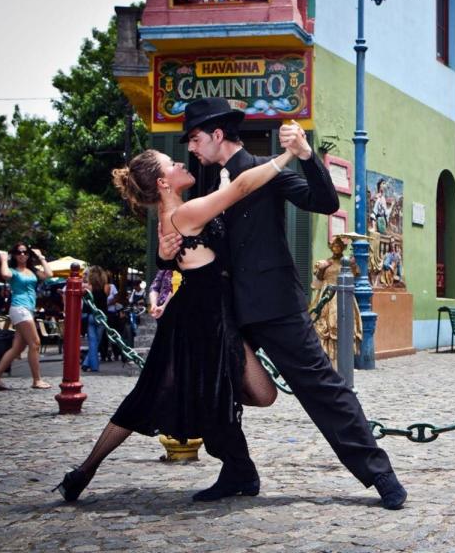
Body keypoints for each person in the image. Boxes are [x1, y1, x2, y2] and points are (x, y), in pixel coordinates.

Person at [158, 97, 407, 508]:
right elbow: (190, 243)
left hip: (274, 303)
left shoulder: (266, 170)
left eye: (196, 139)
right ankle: (238, 471)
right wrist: (165, 254)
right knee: (214, 388)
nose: (192, 148)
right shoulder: (205, 184)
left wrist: (307, 156)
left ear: (217, 135)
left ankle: (380, 474)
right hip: (224, 308)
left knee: (321, 387)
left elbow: (324, 203)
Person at [54, 143, 289, 503]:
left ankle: (231, 462)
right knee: (155, 397)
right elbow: (241, 188)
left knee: (249, 394)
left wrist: (162, 273)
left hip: (209, 319)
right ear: (163, 183)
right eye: (172, 163)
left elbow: (178, 262)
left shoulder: (176, 215)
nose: (182, 163)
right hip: (199, 323)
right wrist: (288, 156)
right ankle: (85, 471)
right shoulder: (185, 213)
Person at [0, 243, 51, 390]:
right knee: (35, 343)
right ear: (14, 255)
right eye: (18, 252)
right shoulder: (13, 271)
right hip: (19, 308)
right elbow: (5, 274)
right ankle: (37, 380)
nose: (22, 254)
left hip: (28, 309)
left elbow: (48, 274)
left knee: (18, 348)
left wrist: (41, 257)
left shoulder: (32, 271)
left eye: (25, 252)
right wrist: (4, 259)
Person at [310, 235, 361, 365]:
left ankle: (342, 359)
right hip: (326, 295)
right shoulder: (326, 262)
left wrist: (353, 264)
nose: (336, 248)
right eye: (334, 246)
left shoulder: (347, 262)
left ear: (343, 248)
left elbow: (355, 275)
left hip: (342, 295)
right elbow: (319, 278)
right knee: (323, 323)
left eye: (339, 246)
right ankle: (326, 358)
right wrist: (323, 268)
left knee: (341, 323)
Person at [82, 266, 109, 373]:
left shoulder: (88, 287)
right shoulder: (106, 286)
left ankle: (88, 364)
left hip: (90, 316)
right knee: (97, 342)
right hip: (101, 316)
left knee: (92, 342)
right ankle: (91, 366)